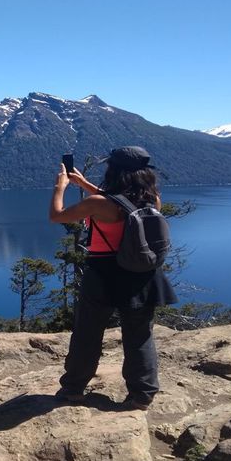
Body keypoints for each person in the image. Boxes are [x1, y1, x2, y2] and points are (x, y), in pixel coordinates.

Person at [48, 146, 177, 410]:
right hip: (142, 275)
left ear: (114, 171)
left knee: (87, 332)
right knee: (140, 335)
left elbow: (56, 216)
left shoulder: (98, 204)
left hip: (103, 273)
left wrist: (60, 187)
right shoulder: (153, 199)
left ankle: (73, 389)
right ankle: (142, 395)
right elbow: (121, 204)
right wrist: (85, 184)